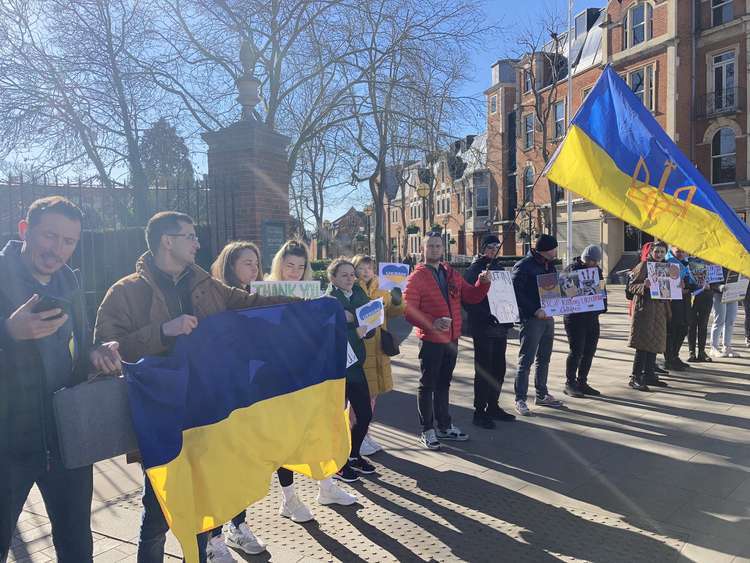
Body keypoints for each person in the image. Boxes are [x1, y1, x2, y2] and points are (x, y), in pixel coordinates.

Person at [94, 212, 294, 563]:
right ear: (167, 241)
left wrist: (309, 305)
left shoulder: (204, 284)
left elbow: (248, 304)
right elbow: (106, 350)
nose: (198, 243)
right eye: (190, 236)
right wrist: (162, 331)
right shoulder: (125, 292)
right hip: (159, 416)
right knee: (158, 510)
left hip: (207, 410)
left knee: (205, 501)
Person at [0, 197, 121, 563]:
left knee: (77, 546)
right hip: (9, 445)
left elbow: (76, 348)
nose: (58, 249)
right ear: (25, 230)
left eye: (69, 241)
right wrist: (8, 332)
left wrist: (96, 352)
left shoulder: (70, 283)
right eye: (50, 236)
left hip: (67, 439)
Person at [265, 242, 357, 512]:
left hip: (307, 374)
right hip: (277, 379)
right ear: (279, 264)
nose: (294, 272)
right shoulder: (265, 291)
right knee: (285, 439)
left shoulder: (310, 293)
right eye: (289, 265)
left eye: (300, 266)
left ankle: (326, 487)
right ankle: (289, 499)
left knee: (316, 430)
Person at [404, 233, 491, 450]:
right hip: (431, 340)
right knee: (427, 385)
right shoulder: (416, 277)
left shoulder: (451, 272)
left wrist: (482, 283)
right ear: (423, 250)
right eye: (430, 246)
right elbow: (408, 310)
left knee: (444, 383)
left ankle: (444, 425)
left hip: (452, 338)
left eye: (438, 246)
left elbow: (471, 296)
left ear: (443, 249)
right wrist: (432, 322)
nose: (434, 249)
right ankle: (427, 429)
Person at [325, 258, 377, 482]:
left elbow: (370, 321)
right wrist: (355, 328)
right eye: (344, 275)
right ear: (333, 278)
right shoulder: (328, 299)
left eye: (351, 274)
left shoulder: (358, 293)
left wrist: (356, 321)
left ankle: (354, 454)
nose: (350, 278)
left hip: (356, 366)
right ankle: (339, 464)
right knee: (336, 419)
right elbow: (327, 332)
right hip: (336, 368)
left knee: (364, 414)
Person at [352, 255, 405, 452]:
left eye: (369, 267)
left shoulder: (382, 289)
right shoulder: (353, 289)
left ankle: (366, 432)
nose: (366, 271)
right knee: (358, 397)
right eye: (362, 267)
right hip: (361, 349)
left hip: (379, 349)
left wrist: (398, 298)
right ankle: (355, 434)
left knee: (373, 395)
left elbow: (396, 311)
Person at [462, 234, 515, 429]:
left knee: (499, 369)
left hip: (500, 327)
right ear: (483, 248)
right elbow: (467, 299)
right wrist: (485, 316)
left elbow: (507, 295)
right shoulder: (475, 269)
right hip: (483, 328)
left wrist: (509, 315)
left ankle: (493, 405)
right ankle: (479, 411)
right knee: (484, 370)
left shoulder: (499, 269)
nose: (493, 251)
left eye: (496, 247)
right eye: (490, 247)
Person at [511, 234, 563, 416]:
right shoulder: (524, 266)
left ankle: (541, 393)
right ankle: (520, 399)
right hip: (532, 319)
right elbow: (515, 292)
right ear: (546, 250)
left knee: (544, 358)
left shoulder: (550, 265)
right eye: (554, 248)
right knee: (526, 360)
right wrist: (534, 310)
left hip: (548, 317)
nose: (557, 251)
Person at [562, 245, 606, 398]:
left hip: (592, 316)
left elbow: (601, 288)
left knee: (589, 350)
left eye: (596, 261)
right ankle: (570, 383)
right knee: (577, 350)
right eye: (591, 260)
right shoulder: (571, 269)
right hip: (574, 317)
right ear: (585, 258)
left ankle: (582, 381)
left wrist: (602, 306)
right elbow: (565, 290)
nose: (594, 263)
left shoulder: (597, 271)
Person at [626, 241, 671, 391]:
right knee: (643, 344)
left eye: (662, 252)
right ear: (651, 251)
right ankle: (636, 377)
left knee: (655, 342)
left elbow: (669, 289)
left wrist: (678, 288)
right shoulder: (644, 265)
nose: (659, 254)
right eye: (656, 251)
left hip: (659, 309)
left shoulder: (667, 268)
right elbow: (630, 287)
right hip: (644, 309)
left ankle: (649, 375)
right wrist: (642, 286)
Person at [664, 246, 697, 371]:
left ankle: (675, 355)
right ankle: (669, 359)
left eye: (683, 251)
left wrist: (687, 287)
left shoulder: (688, 263)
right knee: (672, 330)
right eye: (678, 251)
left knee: (683, 328)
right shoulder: (667, 263)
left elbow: (694, 283)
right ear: (671, 250)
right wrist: (678, 289)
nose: (681, 254)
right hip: (672, 302)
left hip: (685, 300)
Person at [686, 258, 713, 363]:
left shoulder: (713, 262)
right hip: (692, 297)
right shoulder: (689, 261)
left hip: (707, 297)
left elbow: (718, 281)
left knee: (703, 325)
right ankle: (691, 352)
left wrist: (718, 287)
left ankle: (701, 352)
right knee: (691, 325)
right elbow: (685, 279)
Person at [710, 269, 741, 358]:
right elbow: (711, 282)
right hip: (719, 294)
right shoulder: (718, 262)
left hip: (733, 292)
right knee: (719, 321)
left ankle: (727, 347)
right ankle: (714, 347)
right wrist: (720, 287)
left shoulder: (736, 262)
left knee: (730, 321)